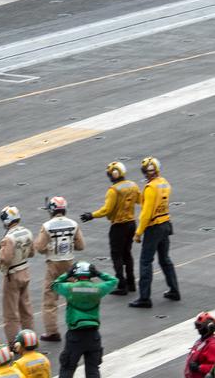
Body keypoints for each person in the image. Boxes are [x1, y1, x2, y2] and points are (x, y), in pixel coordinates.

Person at [80, 161, 141, 295]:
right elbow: (140, 200)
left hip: (118, 226)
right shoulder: (133, 185)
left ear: (114, 174)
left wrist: (91, 215)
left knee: (116, 255)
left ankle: (121, 285)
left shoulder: (113, 190)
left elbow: (107, 210)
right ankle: (131, 283)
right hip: (131, 224)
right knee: (127, 253)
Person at [129, 156, 180, 308]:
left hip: (154, 227)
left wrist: (138, 233)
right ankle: (174, 290)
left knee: (145, 261)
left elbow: (146, 212)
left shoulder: (150, 188)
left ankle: (145, 298)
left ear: (145, 172)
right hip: (165, 224)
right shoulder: (164, 183)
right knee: (165, 259)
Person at [52, 261, 118, 378]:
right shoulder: (97, 289)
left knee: (67, 368)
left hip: (75, 336)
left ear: (76, 274)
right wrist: (99, 273)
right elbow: (114, 281)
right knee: (92, 370)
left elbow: (55, 284)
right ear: (90, 274)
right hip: (93, 336)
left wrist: (67, 274)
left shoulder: (70, 288)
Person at [34, 196, 84, 341]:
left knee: (50, 298)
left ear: (51, 210)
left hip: (53, 264)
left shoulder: (47, 226)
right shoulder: (73, 224)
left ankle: (52, 332)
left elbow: (39, 247)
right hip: (69, 263)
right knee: (73, 296)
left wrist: (49, 248)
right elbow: (81, 246)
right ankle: (77, 324)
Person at [0, 206, 35, 343]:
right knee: (26, 309)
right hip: (25, 270)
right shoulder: (27, 232)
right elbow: (32, 253)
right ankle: (29, 339)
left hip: (12, 274)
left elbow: (6, 259)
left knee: (11, 312)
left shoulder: (8, 238)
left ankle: (14, 342)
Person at [186, 311, 215, 378]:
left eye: (199, 326)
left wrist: (199, 367)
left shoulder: (212, 345)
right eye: (196, 325)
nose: (197, 329)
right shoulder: (201, 341)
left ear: (208, 327)